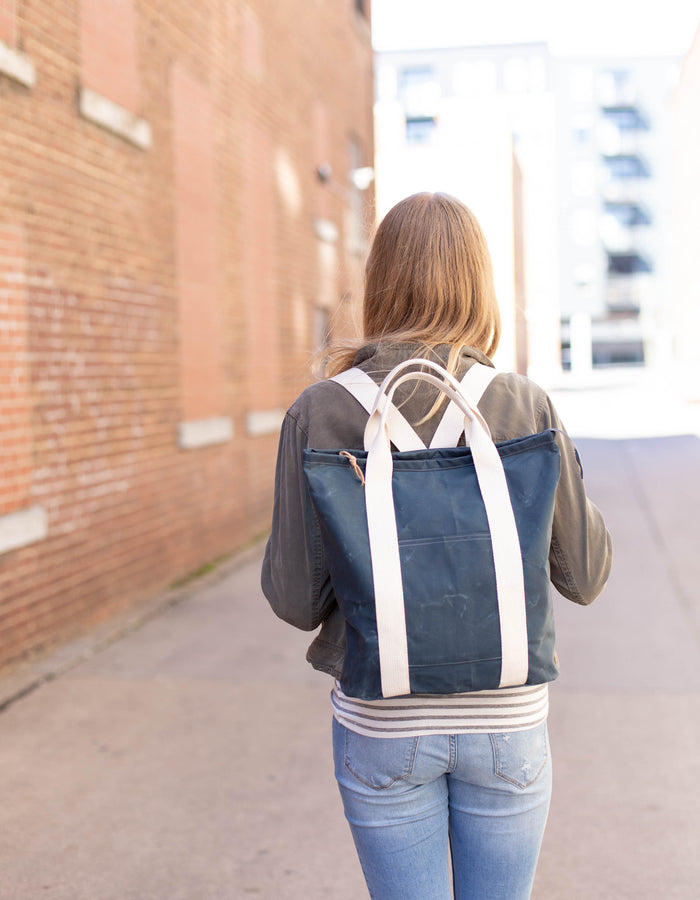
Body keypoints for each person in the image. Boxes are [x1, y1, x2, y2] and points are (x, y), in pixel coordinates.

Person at [261, 192, 612, 899]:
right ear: (479, 285)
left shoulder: (322, 411)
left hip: (383, 720)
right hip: (506, 722)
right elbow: (588, 574)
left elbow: (296, 600)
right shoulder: (524, 404)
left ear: (380, 283)